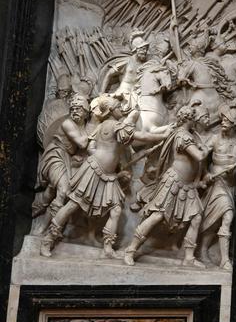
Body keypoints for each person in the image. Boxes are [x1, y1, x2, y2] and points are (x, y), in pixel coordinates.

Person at [40, 95, 169, 258]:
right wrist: (163, 135)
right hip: (94, 170)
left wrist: (103, 155)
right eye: (117, 108)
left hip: (107, 174)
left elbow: (91, 145)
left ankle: (108, 247)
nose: (120, 111)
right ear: (110, 111)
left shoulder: (102, 126)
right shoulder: (114, 125)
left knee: (115, 210)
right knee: (73, 204)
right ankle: (48, 239)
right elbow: (142, 137)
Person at [123, 103, 209, 267]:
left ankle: (189, 258)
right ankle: (130, 250)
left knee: (196, 217)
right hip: (174, 182)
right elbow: (198, 156)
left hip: (187, 184)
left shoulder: (185, 134)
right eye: (193, 119)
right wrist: (205, 148)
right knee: (157, 215)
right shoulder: (183, 135)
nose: (195, 122)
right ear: (189, 119)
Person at [32, 94, 90, 218]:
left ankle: (39, 204)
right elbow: (82, 143)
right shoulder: (68, 123)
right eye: (73, 109)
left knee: (53, 188)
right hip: (55, 154)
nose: (75, 112)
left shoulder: (82, 125)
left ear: (86, 111)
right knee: (63, 190)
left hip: (66, 157)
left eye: (78, 109)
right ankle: (50, 228)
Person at [200, 103, 236, 270]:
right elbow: (201, 156)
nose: (223, 122)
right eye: (223, 119)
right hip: (215, 184)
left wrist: (232, 170)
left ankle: (222, 258)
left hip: (229, 184)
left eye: (227, 120)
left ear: (235, 125)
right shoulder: (215, 138)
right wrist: (204, 174)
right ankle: (214, 255)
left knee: (221, 218)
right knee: (221, 216)